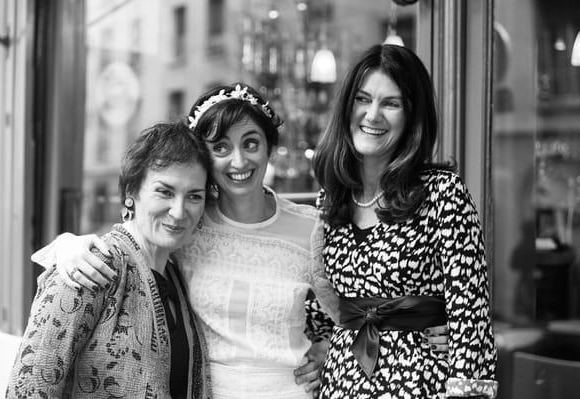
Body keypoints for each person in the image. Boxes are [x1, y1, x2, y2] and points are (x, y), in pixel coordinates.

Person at [32, 83, 449, 398]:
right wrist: (67, 245)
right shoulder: (189, 223)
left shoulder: (313, 226)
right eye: (221, 147)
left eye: (251, 144)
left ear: (269, 149)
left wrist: (414, 324)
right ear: (204, 158)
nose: (239, 161)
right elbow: (132, 241)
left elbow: (350, 310)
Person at [312, 43, 498, 398]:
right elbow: (320, 308)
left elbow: (470, 313)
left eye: (391, 103)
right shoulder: (330, 199)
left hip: (419, 384)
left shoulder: (443, 193)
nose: (373, 115)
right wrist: (314, 348)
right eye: (363, 99)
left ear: (413, 116)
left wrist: (468, 385)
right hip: (341, 383)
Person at [7, 121, 213, 398]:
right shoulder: (89, 265)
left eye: (194, 196)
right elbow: (29, 388)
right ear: (131, 193)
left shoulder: (178, 278)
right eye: (164, 191)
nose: (178, 211)